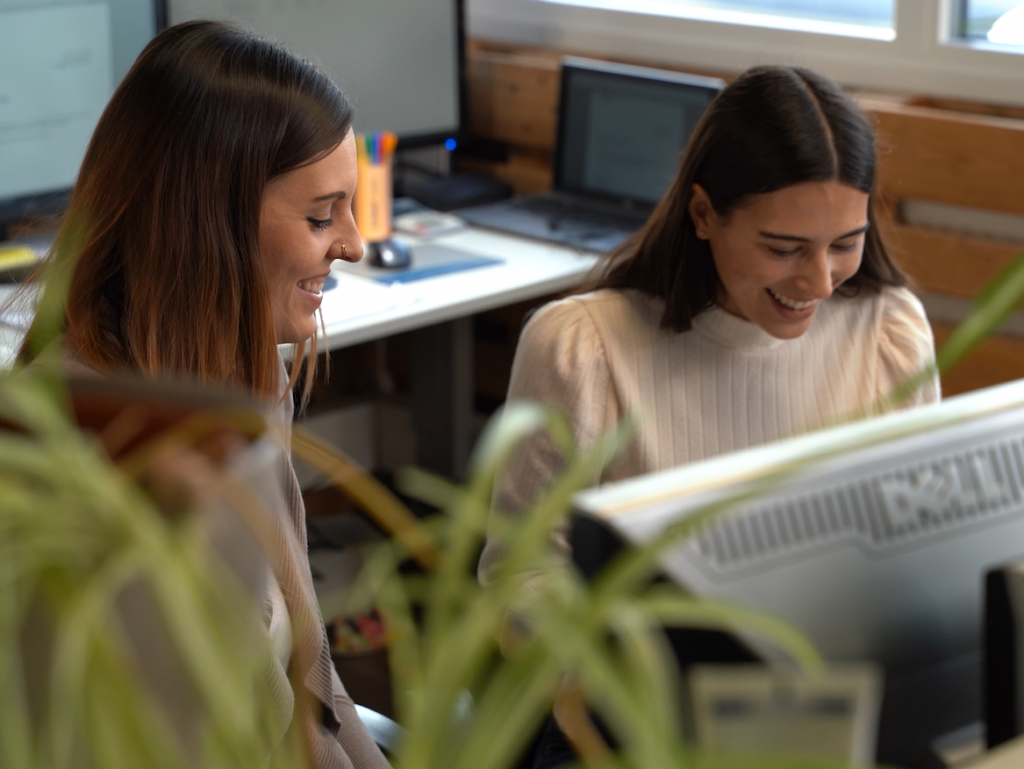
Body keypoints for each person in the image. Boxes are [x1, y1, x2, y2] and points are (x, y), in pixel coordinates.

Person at [479, 65, 940, 765]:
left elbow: (919, 550)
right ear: (702, 214)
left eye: (844, 243)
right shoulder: (584, 345)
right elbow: (521, 576)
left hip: (832, 703)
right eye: (784, 248)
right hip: (637, 726)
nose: (818, 281)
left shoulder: (887, 330)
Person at [17, 20, 389, 769]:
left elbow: (312, 677)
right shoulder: (87, 452)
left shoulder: (244, 381)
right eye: (321, 215)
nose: (353, 243)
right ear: (205, 220)